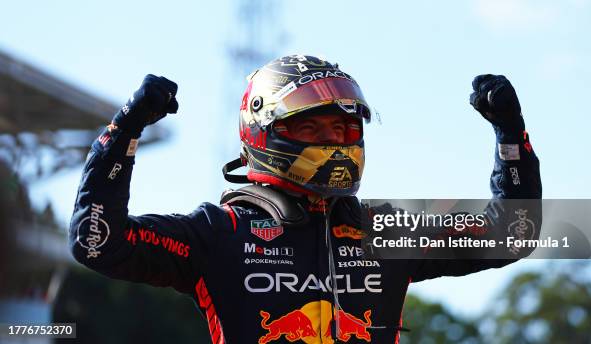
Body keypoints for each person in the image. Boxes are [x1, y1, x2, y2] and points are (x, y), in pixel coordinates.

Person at [69, 55, 542, 343]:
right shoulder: (219, 233)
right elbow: (98, 244)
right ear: (264, 132)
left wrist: (509, 135)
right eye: (311, 128)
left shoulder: (384, 231)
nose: (333, 142)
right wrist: (124, 132)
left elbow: (512, 234)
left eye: (341, 128)